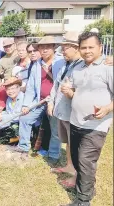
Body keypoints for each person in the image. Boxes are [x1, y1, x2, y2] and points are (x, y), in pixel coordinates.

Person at [63, 32, 113, 206]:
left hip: (96, 125)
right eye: (83, 47)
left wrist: (107, 108)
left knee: (85, 161)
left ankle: (83, 202)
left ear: (100, 47)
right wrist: (69, 93)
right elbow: (77, 92)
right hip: (76, 121)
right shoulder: (78, 68)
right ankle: (87, 188)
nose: (87, 51)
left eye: (91, 47)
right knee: (77, 160)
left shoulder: (109, 68)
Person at [10, 36, 65, 163]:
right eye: (42, 47)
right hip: (39, 101)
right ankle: (23, 147)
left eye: (47, 47)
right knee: (25, 118)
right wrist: (26, 105)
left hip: (55, 102)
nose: (44, 50)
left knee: (55, 128)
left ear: (53, 48)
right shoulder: (37, 65)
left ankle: (53, 154)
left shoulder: (60, 62)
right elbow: (30, 87)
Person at [47, 31, 82, 189]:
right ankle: (69, 166)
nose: (63, 51)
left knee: (77, 146)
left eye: (65, 47)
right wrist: (50, 102)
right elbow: (56, 84)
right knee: (68, 142)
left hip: (73, 113)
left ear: (75, 47)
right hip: (62, 111)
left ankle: (77, 177)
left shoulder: (82, 67)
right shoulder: (66, 64)